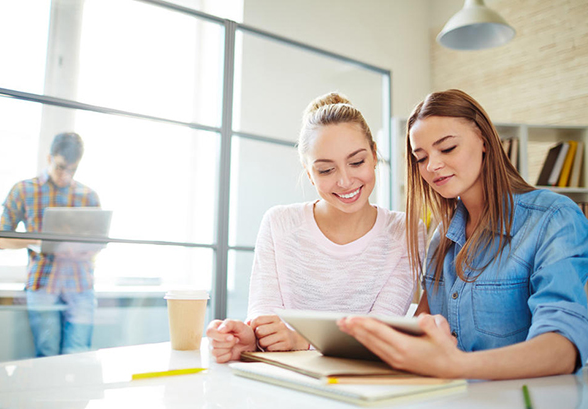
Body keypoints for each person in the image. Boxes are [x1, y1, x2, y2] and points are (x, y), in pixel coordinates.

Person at [338, 89, 588, 379]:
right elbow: (422, 330)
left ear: (483, 139)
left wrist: (453, 365)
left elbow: (564, 347)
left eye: (447, 148)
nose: (432, 166)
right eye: (421, 158)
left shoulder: (553, 218)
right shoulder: (441, 239)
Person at [207, 92, 425, 363]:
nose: (345, 181)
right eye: (325, 170)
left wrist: (303, 340)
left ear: (374, 154)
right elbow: (264, 323)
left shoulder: (405, 231)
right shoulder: (279, 224)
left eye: (356, 162)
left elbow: (380, 335)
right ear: (308, 172)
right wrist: (248, 339)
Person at [0, 132, 101, 357]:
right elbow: (1, 240)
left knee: (79, 354)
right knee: (47, 354)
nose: (66, 176)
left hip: (81, 284)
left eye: (72, 170)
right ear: (49, 158)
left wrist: (80, 247)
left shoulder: (88, 196)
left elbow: (99, 243)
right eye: (61, 167)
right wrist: (39, 239)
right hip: (43, 282)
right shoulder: (24, 190)